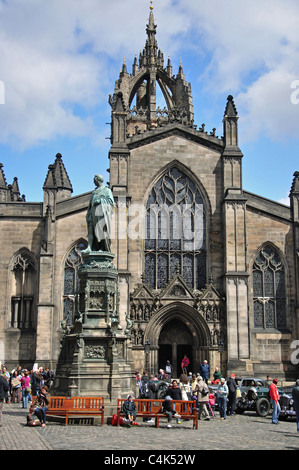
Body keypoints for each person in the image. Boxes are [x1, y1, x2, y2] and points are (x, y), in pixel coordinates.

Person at [82, 174, 115, 253]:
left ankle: (102, 248)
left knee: (101, 231)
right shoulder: (94, 192)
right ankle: (90, 247)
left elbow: (111, 202)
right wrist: (89, 213)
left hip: (102, 214)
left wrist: (100, 201)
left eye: (94, 180)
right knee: (91, 230)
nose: (93, 182)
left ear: (97, 180)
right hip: (93, 214)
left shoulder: (107, 190)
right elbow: (90, 204)